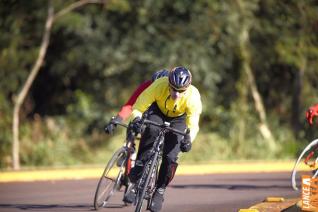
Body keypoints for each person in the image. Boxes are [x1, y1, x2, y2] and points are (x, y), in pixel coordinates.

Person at [124, 66, 202, 212]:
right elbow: (138, 107)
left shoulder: (193, 97)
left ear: (188, 88)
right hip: (158, 111)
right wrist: (136, 120)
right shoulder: (159, 85)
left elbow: (193, 124)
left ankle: (159, 191)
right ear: (168, 84)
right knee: (151, 129)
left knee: (170, 157)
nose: (177, 94)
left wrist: (188, 139)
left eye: (181, 91)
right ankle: (140, 165)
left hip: (179, 118)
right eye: (173, 89)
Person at [104, 69, 169, 134]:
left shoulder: (173, 91)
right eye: (154, 85)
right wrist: (117, 120)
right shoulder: (146, 85)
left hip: (164, 118)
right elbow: (130, 105)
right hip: (145, 115)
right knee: (133, 127)